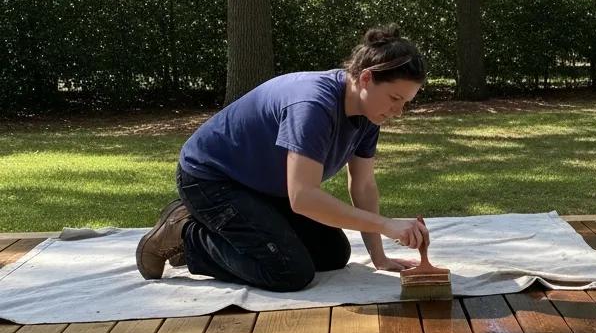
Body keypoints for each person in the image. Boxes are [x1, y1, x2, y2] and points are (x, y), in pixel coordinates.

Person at [135, 26, 429, 291]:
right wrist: (387, 225)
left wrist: (380, 257)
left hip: (260, 186)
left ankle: (227, 232)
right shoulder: (313, 105)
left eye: (405, 103)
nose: (398, 112)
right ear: (366, 78)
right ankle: (185, 234)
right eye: (394, 99)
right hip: (209, 179)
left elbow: (362, 186)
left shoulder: (367, 115)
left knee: (333, 254)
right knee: (288, 271)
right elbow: (303, 198)